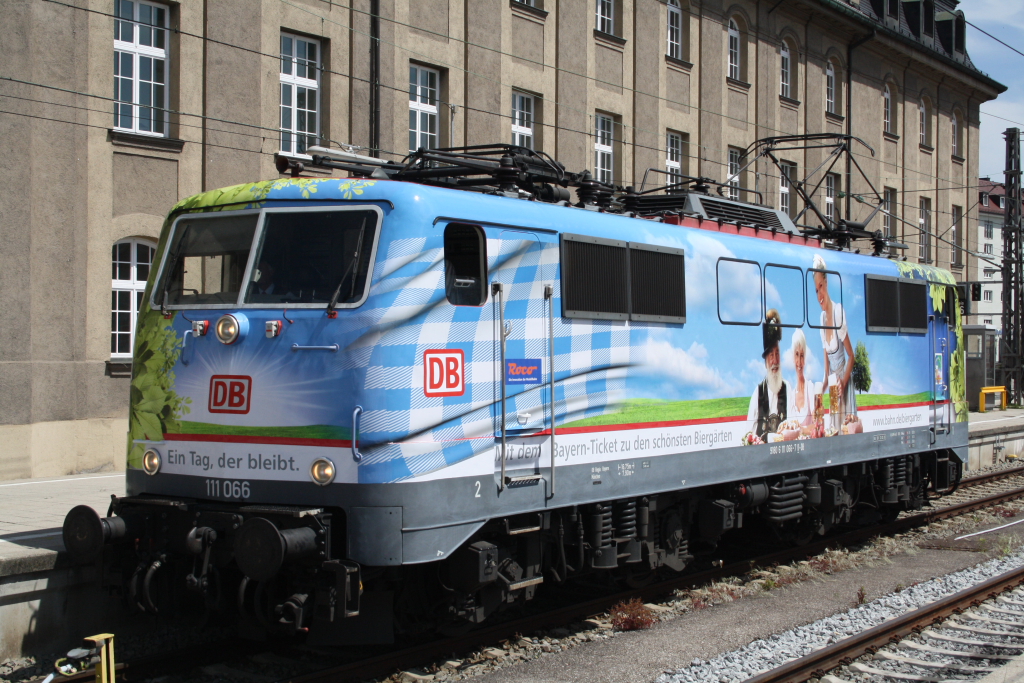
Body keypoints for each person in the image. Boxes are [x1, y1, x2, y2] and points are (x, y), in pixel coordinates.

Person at [812, 254, 856, 433]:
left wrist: (843, 383)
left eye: (821, 287)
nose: (819, 295)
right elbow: (827, 372)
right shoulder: (822, 319)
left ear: (826, 282)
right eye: (816, 290)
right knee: (834, 429)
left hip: (843, 383)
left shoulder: (838, 312)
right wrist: (819, 396)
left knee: (846, 429)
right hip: (833, 386)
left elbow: (851, 356)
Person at [747, 308, 791, 440]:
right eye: (771, 355)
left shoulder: (787, 388)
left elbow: (794, 426)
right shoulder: (758, 392)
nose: (775, 361)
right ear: (766, 362)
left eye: (777, 354)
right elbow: (748, 434)